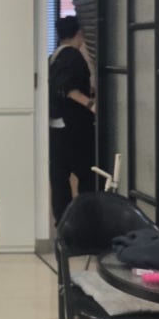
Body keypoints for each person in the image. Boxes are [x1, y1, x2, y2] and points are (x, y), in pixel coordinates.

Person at [48, 15, 97, 226]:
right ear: (78, 34)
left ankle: (63, 221)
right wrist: (91, 104)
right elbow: (68, 88)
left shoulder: (53, 57)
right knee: (88, 173)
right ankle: (85, 220)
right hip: (74, 126)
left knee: (59, 176)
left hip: (56, 125)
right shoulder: (73, 57)